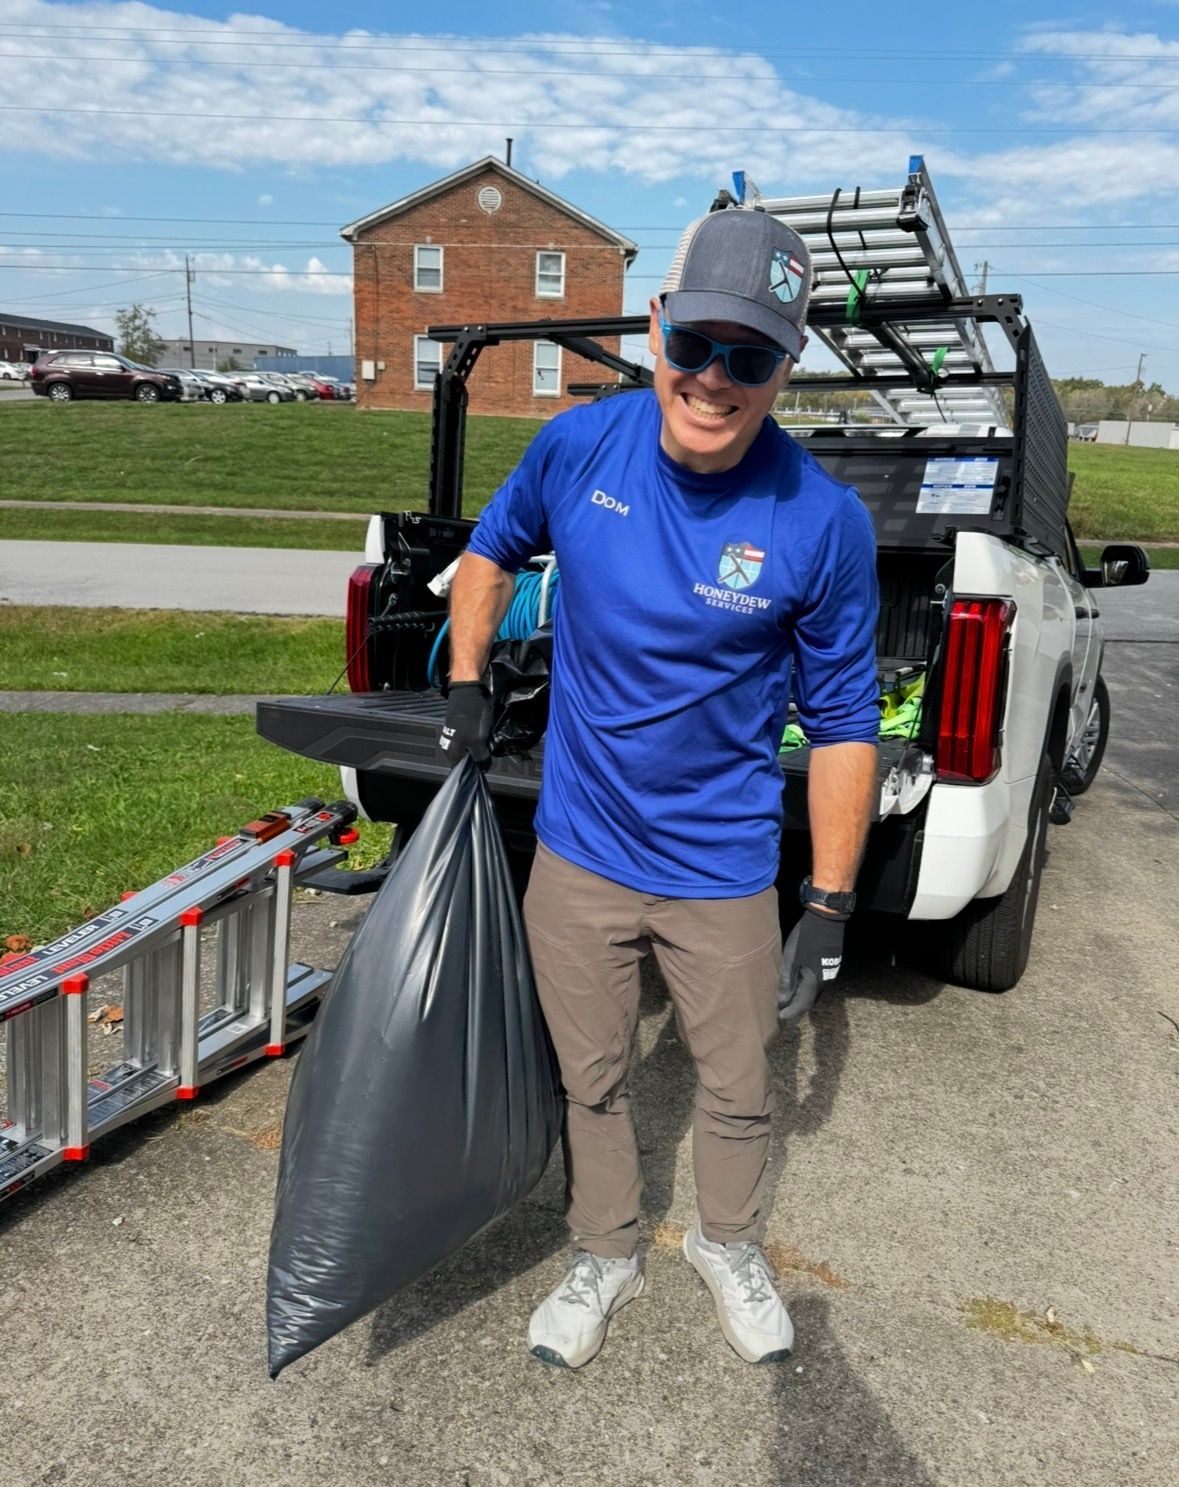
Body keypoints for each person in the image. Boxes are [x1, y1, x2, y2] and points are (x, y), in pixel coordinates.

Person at [440, 206, 880, 1370]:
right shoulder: (580, 448)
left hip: (723, 865)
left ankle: (727, 1241)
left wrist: (829, 903)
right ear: (655, 330)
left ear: (785, 367)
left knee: (738, 1086)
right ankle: (607, 1247)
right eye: (696, 346)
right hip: (579, 851)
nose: (714, 380)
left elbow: (842, 724)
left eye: (750, 357)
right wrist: (470, 683)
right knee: (589, 1075)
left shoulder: (823, 522)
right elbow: (488, 552)